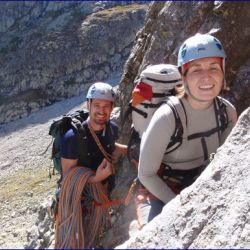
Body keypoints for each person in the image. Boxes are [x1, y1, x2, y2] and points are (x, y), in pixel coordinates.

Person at [137, 33, 238, 228]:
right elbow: (146, 174)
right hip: (162, 188)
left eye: (213, 67)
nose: (206, 76)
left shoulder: (227, 112)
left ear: (223, 71)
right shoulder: (168, 116)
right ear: (183, 75)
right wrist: (179, 205)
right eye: (196, 69)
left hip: (201, 182)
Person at [55, 82, 127, 248]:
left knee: (96, 237)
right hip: (77, 203)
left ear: (112, 107)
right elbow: (69, 179)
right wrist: (96, 178)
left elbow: (110, 146)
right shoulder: (72, 138)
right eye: (97, 105)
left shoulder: (112, 129)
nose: (101, 111)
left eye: (106, 106)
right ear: (88, 104)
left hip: (102, 196)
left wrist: (131, 150)